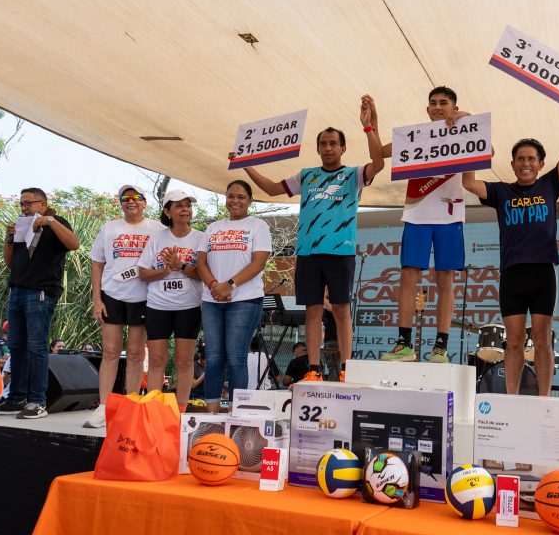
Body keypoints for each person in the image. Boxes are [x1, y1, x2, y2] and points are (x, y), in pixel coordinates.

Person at [462, 87, 559, 395]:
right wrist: (471, 140)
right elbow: (469, 182)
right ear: (512, 164)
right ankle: (512, 399)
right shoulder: (500, 192)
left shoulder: (550, 184)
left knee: (542, 335)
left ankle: (544, 399)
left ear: (540, 163)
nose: (526, 163)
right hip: (512, 274)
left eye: (531, 158)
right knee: (513, 341)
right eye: (520, 158)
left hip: (542, 272)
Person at [242, 95, 385, 381]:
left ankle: (347, 369)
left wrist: (370, 127)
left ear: (343, 147)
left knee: (342, 310)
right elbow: (271, 189)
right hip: (308, 252)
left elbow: (378, 163)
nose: (328, 147)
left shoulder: (352, 174)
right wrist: (246, 164)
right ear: (318, 148)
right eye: (323, 143)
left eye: (334, 143)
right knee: (313, 312)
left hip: (340, 251)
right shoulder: (307, 176)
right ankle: (314, 370)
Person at [378, 86, 468, 363]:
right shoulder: (415, 135)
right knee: (408, 276)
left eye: (444, 103)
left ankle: (440, 347)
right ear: (427, 109)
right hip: (416, 212)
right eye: (433, 103)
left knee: (445, 280)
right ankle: (403, 344)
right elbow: (381, 152)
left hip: (450, 214)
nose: (438, 107)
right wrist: (371, 125)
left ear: (453, 107)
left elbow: (488, 146)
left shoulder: (465, 131)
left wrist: (463, 118)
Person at [85, 184, 164, 428]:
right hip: (112, 295)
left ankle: (130, 405)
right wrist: (97, 299)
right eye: (125, 198)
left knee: (135, 354)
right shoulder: (110, 228)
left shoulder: (157, 228)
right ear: (120, 203)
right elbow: (97, 264)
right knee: (109, 352)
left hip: (143, 297)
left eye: (135, 198)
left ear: (144, 202)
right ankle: (103, 407)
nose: (130, 202)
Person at [0, 187, 80, 419]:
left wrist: (50, 220)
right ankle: (16, 398)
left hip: (40, 291)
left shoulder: (55, 222)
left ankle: (37, 402)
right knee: (17, 346)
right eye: (21, 204)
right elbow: (11, 263)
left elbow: (74, 244)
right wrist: (9, 238)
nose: (24, 208)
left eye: (28, 203)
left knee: (36, 346)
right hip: (17, 289)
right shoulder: (21, 224)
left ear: (42, 204)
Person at [196, 179, 271, 411]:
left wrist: (229, 285)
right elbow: (201, 263)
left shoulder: (258, 226)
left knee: (237, 357)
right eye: (230, 196)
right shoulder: (212, 228)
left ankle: (237, 412)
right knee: (215, 358)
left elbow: (259, 263)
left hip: (245, 300)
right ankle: (212, 413)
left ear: (250, 200)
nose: (235, 200)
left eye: (240, 196)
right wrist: (214, 286)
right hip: (212, 300)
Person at [138, 190, 204, 411]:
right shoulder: (157, 238)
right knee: (157, 359)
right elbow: (143, 273)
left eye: (188, 205)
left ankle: (181, 411)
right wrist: (165, 270)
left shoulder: (201, 238)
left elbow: (205, 274)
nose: (185, 209)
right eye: (179, 205)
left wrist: (181, 265)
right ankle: (154, 409)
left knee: (184, 361)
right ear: (167, 211)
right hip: (158, 306)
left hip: (190, 306)